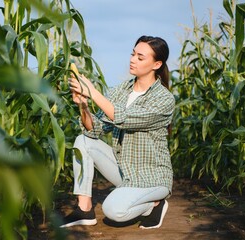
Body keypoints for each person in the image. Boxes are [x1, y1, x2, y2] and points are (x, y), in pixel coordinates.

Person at [60, 35, 175, 229]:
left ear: (156, 64)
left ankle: (154, 205)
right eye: (132, 54)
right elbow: (94, 130)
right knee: (83, 141)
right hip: (125, 170)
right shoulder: (120, 91)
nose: (132, 59)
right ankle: (84, 209)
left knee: (113, 211)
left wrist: (92, 91)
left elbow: (124, 118)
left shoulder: (164, 99)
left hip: (152, 178)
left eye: (140, 57)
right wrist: (84, 106)